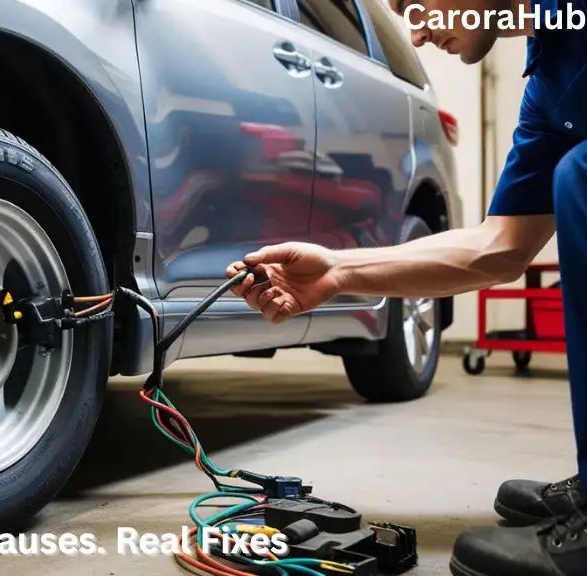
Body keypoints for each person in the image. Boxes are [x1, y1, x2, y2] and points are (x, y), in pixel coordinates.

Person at [226, 0, 587, 574]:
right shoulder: (549, 77)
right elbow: (500, 249)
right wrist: (339, 273)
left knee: (582, 176)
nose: (415, 34)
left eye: (413, 4)